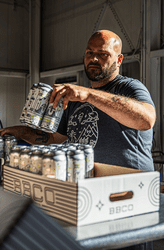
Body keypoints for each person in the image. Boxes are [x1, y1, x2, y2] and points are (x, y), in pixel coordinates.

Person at [0, 30, 155, 249]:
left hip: (125, 198)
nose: (93, 59)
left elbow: (146, 119)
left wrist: (88, 94)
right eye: (89, 52)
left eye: (102, 54)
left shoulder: (129, 87)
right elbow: (55, 139)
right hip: (89, 199)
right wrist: (19, 133)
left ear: (119, 59)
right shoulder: (74, 100)